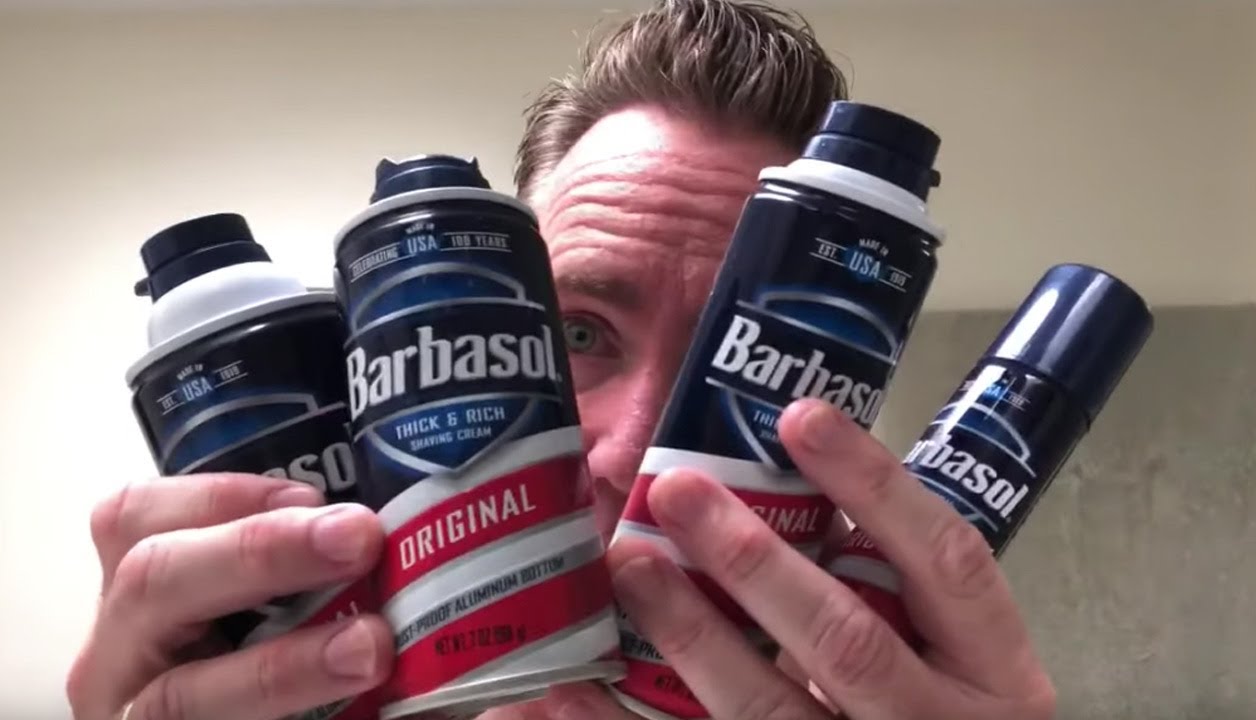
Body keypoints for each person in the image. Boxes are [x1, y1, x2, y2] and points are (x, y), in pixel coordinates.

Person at [67, 1, 1057, 719]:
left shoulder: (920, 692)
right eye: (578, 335)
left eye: (744, 371)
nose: (632, 458)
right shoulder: (307, 669)